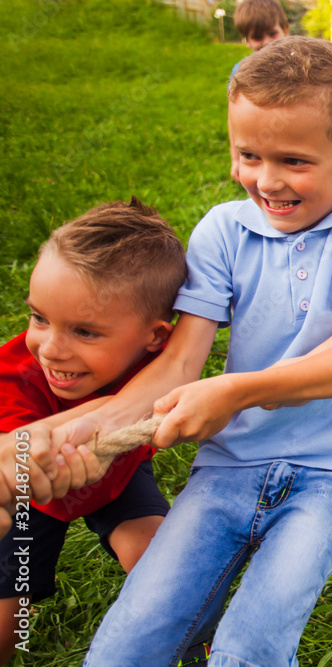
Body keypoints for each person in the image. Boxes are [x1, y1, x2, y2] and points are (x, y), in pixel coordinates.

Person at [28, 37, 332, 665]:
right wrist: (75, 434)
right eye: (247, 155)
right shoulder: (223, 231)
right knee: (124, 647)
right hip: (225, 470)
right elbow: (178, 365)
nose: (266, 180)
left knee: (249, 650)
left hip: (325, 478)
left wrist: (238, 389)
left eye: (293, 160)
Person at [0, 198, 185, 663]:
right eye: (39, 318)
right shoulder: (14, 376)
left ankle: (195, 643)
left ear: (155, 337)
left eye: (84, 332)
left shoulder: (158, 370)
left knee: (160, 561)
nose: (51, 349)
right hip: (30, 499)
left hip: (116, 477)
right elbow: (19, 459)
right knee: (7, 616)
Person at [228, 0, 290, 182]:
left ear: (285, 30)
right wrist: (236, 159)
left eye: (272, 33)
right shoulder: (241, 72)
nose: (267, 42)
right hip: (259, 147)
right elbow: (233, 119)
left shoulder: (300, 66)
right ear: (246, 41)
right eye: (257, 37)